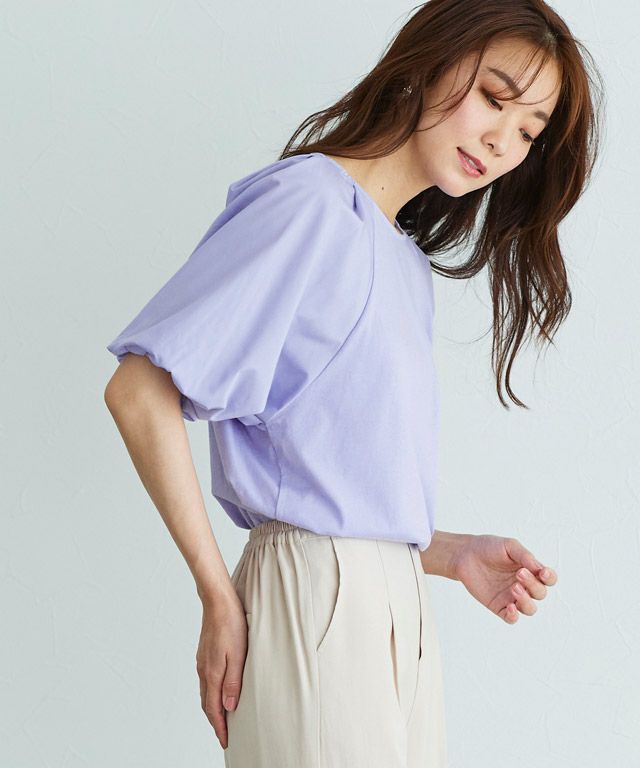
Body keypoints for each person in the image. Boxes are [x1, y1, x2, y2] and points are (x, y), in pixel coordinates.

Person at [103, 1, 604, 765]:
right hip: (314, 604)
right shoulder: (308, 202)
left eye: (530, 131)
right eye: (493, 98)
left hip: (399, 612)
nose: (504, 141)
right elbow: (139, 390)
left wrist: (449, 553)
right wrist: (217, 594)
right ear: (429, 64)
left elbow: (327, 474)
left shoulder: (402, 260)